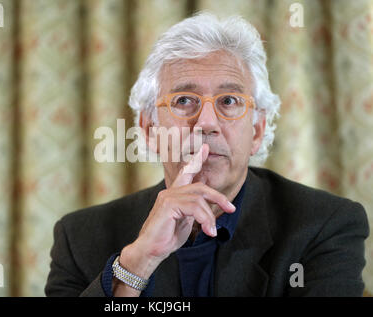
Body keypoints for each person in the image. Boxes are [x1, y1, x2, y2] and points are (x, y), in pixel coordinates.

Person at [45, 13, 369, 297]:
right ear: (149, 129)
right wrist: (137, 264)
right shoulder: (79, 239)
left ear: (256, 131)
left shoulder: (324, 226)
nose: (207, 123)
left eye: (229, 101)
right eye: (184, 100)